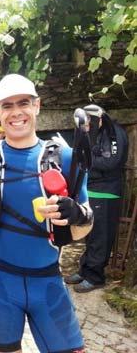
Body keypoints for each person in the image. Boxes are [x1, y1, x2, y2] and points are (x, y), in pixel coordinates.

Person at [0, 74, 94, 353]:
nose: (16, 112)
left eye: (23, 103)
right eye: (7, 106)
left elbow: (85, 227)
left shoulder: (65, 158)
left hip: (48, 281)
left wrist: (77, 216)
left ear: (37, 105)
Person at [65, 104, 128, 292]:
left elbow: (111, 161)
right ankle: (85, 270)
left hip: (106, 191)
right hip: (90, 189)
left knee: (101, 237)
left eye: (90, 122)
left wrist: (88, 157)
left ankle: (95, 277)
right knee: (90, 234)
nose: (88, 126)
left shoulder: (114, 133)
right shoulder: (93, 132)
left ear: (99, 119)